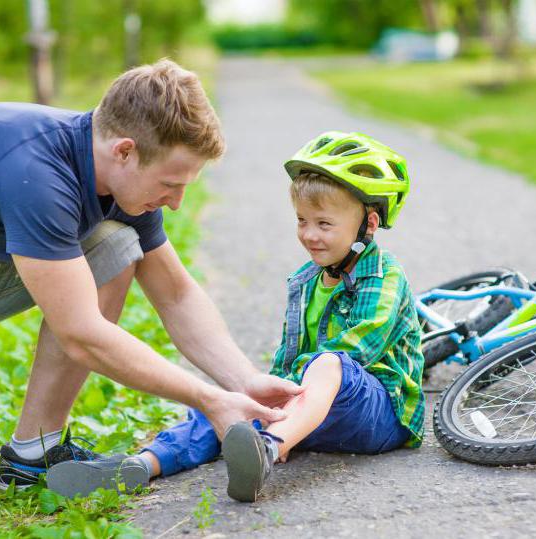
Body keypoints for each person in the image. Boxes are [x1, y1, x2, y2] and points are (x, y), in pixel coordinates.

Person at [0, 59, 302, 526]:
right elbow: (82, 334)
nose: (175, 203)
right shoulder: (38, 175)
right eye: (171, 185)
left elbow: (174, 295)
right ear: (125, 151)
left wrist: (242, 381)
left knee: (114, 243)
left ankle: (34, 452)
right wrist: (208, 399)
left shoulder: (114, 173)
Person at [46, 131, 425, 503]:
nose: (309, 235)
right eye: (301, 221)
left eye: (324, 224)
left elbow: (358, 348)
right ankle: (140, 466)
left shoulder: (383, 275)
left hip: (379, 415)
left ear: (369, 224)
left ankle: (268, 449)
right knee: (230, 403)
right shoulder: (306, 280)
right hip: (310, 412)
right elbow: (290, 356)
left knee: (329, 364)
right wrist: (268, 400)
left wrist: (284, 407)